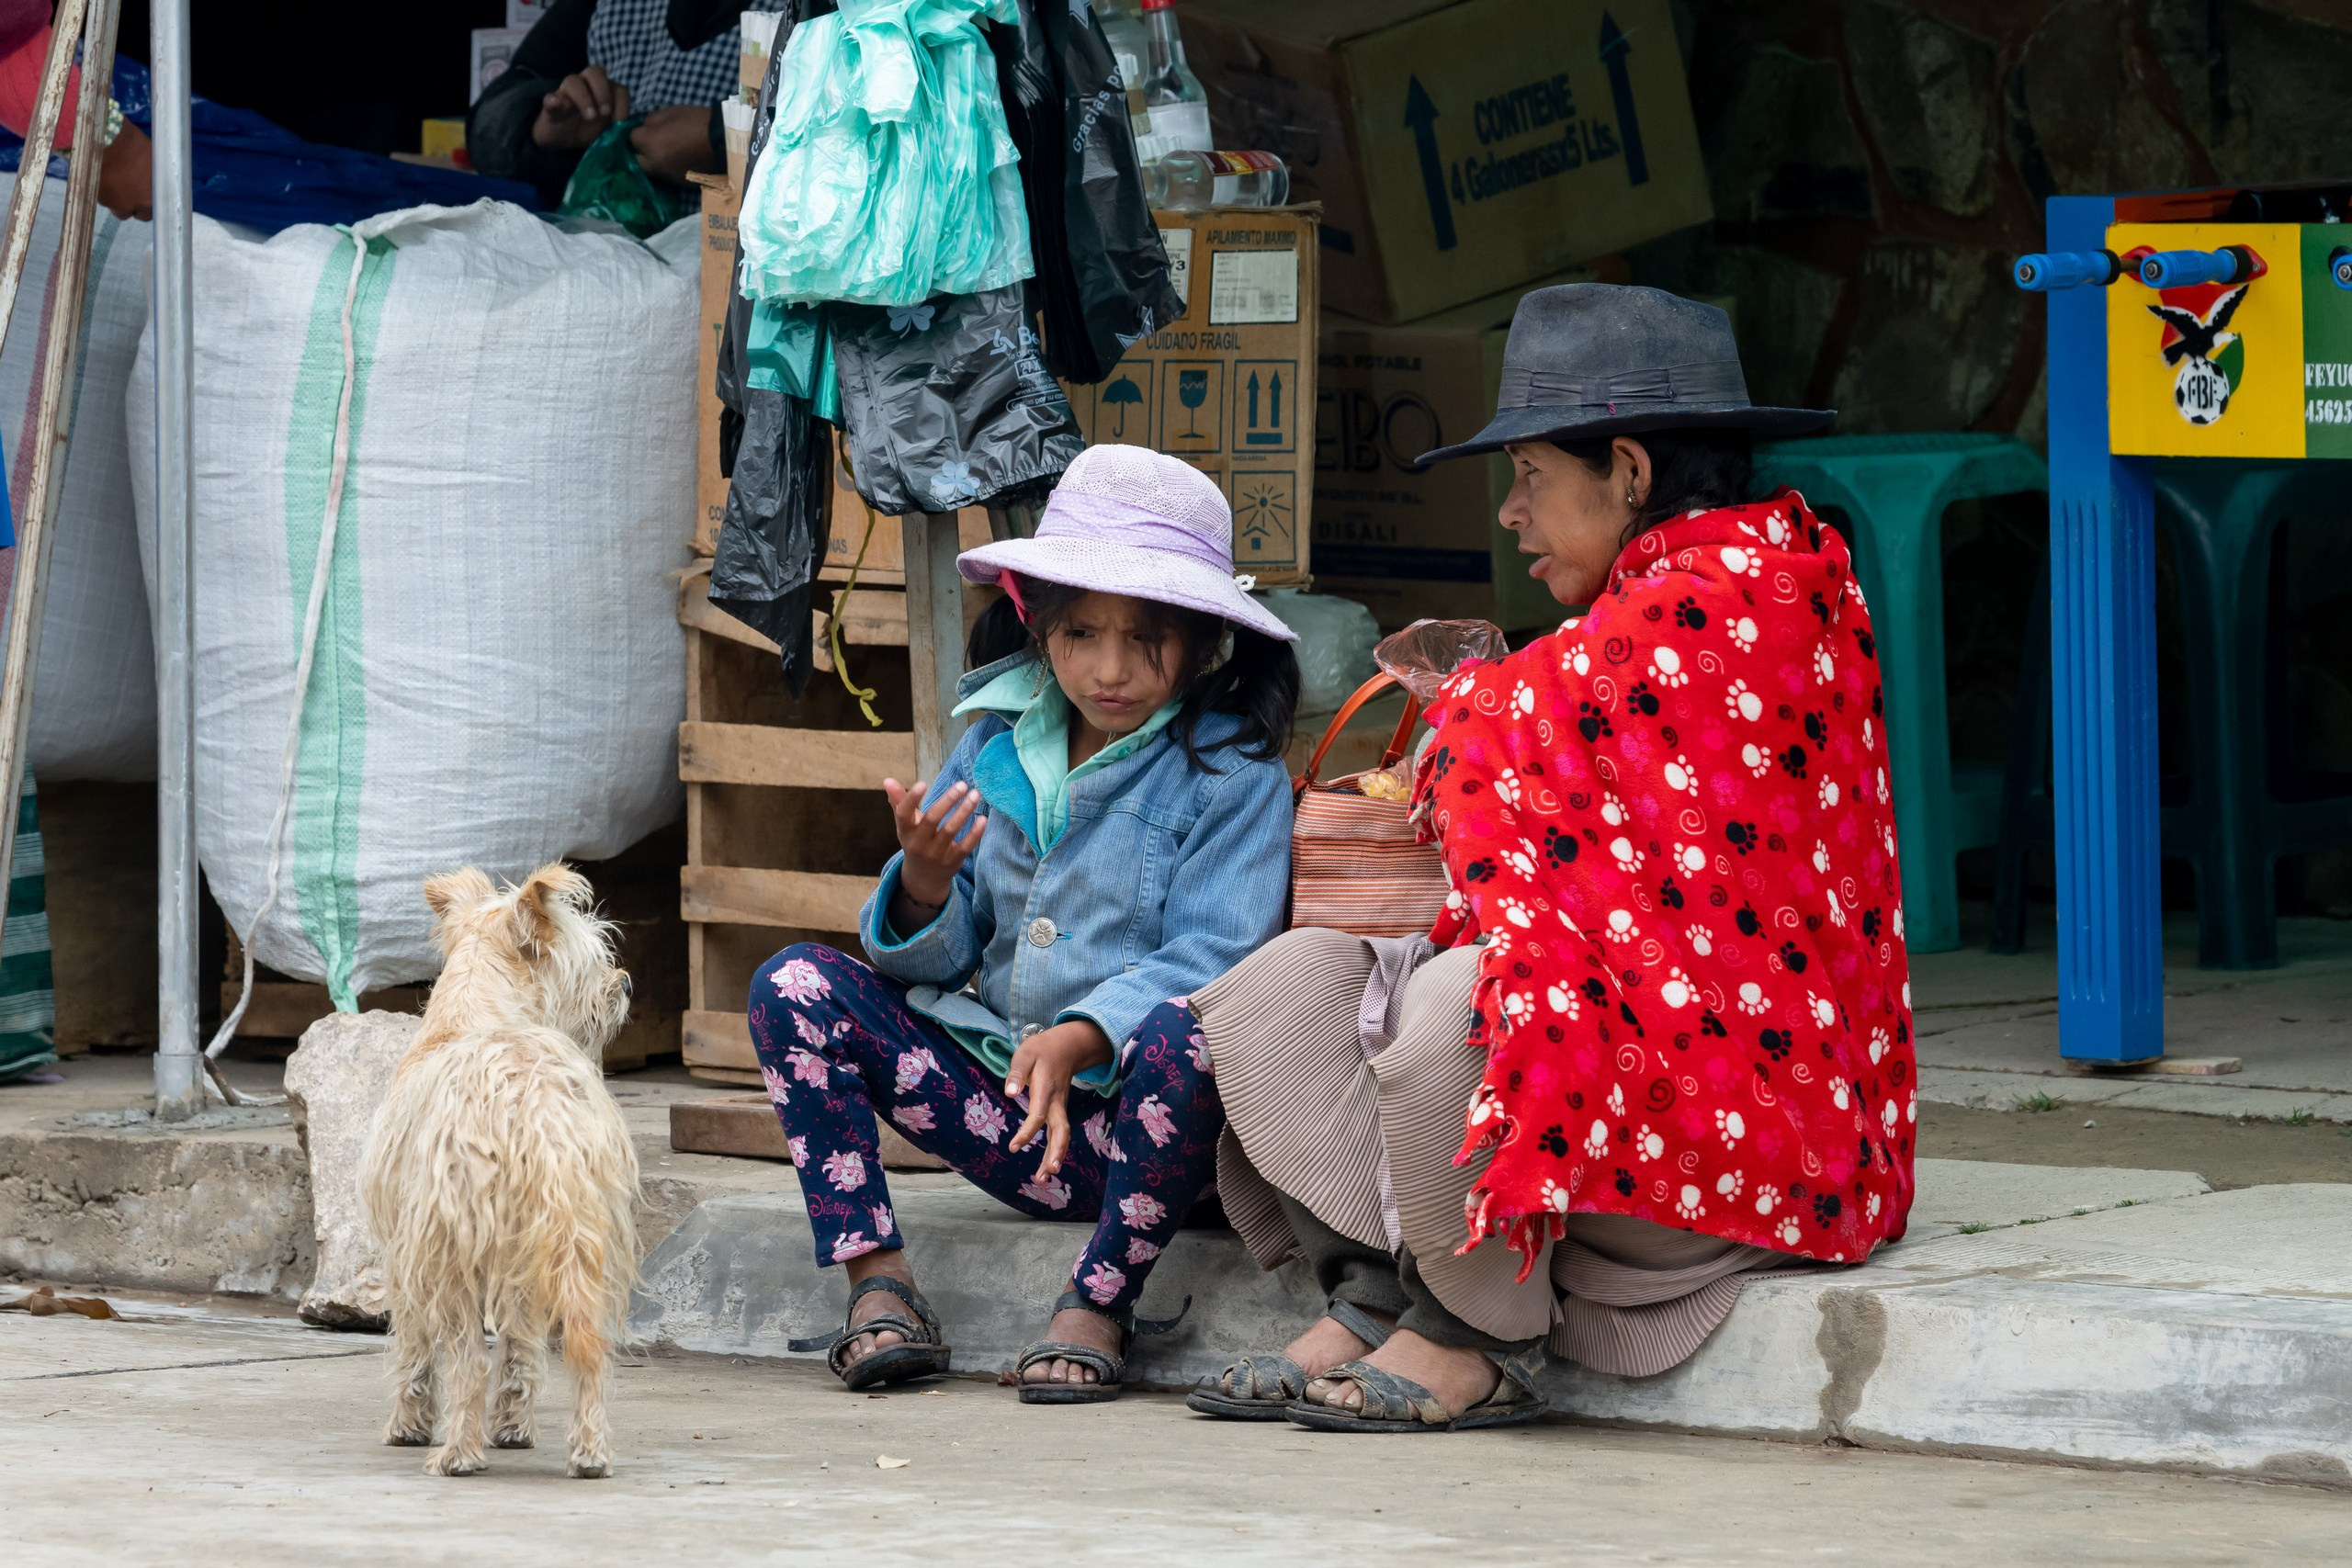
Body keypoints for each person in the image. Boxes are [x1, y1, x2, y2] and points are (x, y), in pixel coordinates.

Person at [1188, 283, 1917, 1432]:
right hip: (1646, 1090)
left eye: (1530, 475)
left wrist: (1475, 710)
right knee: (1288, 987)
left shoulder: (1751, 602)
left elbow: (1513, 737)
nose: (1512, 513)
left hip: (1753, 1141)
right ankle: (1381, 1292)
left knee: (1459, 1007)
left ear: (1625, 471)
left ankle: (1474, 1334)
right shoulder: (1635, 624)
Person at [749, 445, 1301, 1403]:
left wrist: (1086, 1034)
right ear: (1035, 625)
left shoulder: (1235, 776)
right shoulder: (992, 745)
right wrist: (922, 884)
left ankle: (1098, 1302)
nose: (1111, 668)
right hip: (1013, 1127)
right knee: (793, 986)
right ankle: (880, 1287)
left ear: (1208, 641)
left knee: (1190, 1037)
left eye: (1148, 638)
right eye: (1081, 633)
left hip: (1167, 1149)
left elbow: (1221, 955)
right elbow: (949, 943)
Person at [467, 0, 741, 209]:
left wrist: (727, 140)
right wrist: (538, 131)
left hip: (739, 268)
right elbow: (491, 118)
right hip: (604, 256)